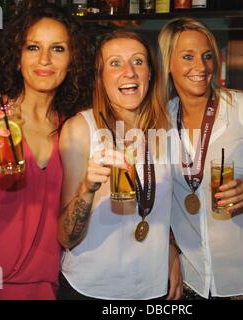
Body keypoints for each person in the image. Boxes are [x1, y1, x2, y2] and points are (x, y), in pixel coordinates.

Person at [0, 5, 92, 300]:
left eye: (58, 49)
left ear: (72, 60)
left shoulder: (74, 129)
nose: (45, 59)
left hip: (42, 288)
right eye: (33, 47)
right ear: (17, 58)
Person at [158, 18, 243, 300]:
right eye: (188, 57)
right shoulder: (160, 121)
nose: (201, 67)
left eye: (207, 57)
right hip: (189, 281)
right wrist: (169, 247)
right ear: (168, 63)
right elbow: (160, 199)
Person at [57, 30, 182, 300]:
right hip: (91, 289)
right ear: (100, 77)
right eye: (115, 63)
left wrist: (172, 250)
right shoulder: (80, 129)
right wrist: (87, 189)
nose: (129, 72)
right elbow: (66, 238)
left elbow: (168, 208)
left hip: (153, 288)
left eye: (138, 61)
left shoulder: (168, 131)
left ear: (151, 73)